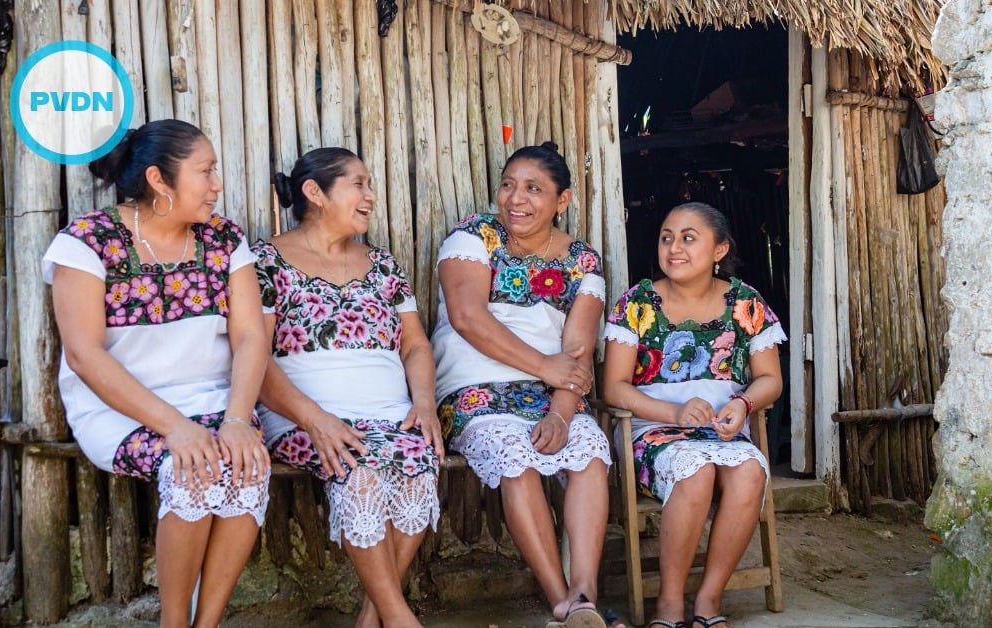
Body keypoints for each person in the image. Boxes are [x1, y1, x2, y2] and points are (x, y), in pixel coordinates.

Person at [43, 119, 271, 627]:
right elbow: (84, 355)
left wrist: (237, 418)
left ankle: (206, 622)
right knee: (191, 470)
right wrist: (175, 427)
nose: (218, 185)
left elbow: (251, 337)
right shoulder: (88, 240)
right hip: (119, 408)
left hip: (214, 400)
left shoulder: (223, 239)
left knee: (248, 464)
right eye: (206, 172)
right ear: (159, 180)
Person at [432, 142, 622, 628]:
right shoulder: (473, 235)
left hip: (551, 390)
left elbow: (577, 352)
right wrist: (545, 366)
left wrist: (561, 412)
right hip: (474, 388)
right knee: (515, 457)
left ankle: (585, 593)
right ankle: (562, 601)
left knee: (590, 450)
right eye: (509, 185)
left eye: (533, 189)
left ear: (563, 201)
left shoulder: (582, 261)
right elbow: (468, 318)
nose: (515, 199)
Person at [253, 148, 442, 628]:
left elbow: (416, 346)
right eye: (358, 184)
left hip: (388, 408)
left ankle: (369, 620)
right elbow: (252, 356)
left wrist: (424, 403)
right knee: (357, 471)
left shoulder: (381, 264)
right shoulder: (265, 261)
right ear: (315, 193)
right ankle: (399, 618)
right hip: (305, 412)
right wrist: (314, 419)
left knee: (417, 466)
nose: (370, 196)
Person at [600, 202, 786, 628]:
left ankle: (708, 601)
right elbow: (614, 387)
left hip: (720, 430)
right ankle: (668, 603)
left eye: (688, 238)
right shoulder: (638, 303)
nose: (674, 247)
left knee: (749, 472)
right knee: (696, 472)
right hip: (651, 428)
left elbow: (769, 379)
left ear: (720, 249)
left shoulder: (745, 302)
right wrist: (675, 412)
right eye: (667, 237)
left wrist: (742, 404)